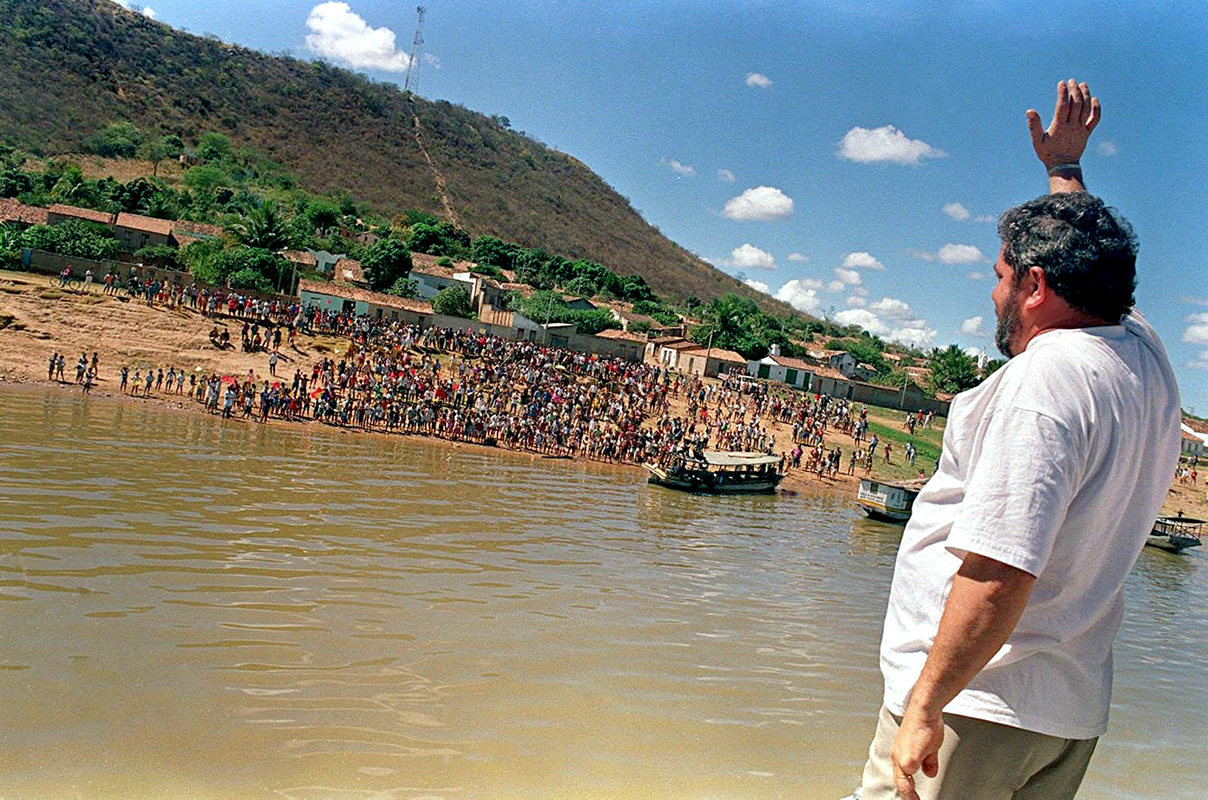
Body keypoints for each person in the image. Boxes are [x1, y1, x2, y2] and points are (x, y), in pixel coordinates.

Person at [858, 80, 1181, 800]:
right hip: (1064, 716)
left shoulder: (1044, 384)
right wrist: (1064, 168)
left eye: (1000, 277)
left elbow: (1001, 568)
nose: (993, 294)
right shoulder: (1143, 353)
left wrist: (925, 707)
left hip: (978, 708)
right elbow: (1094, 253)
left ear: (1034, 285)